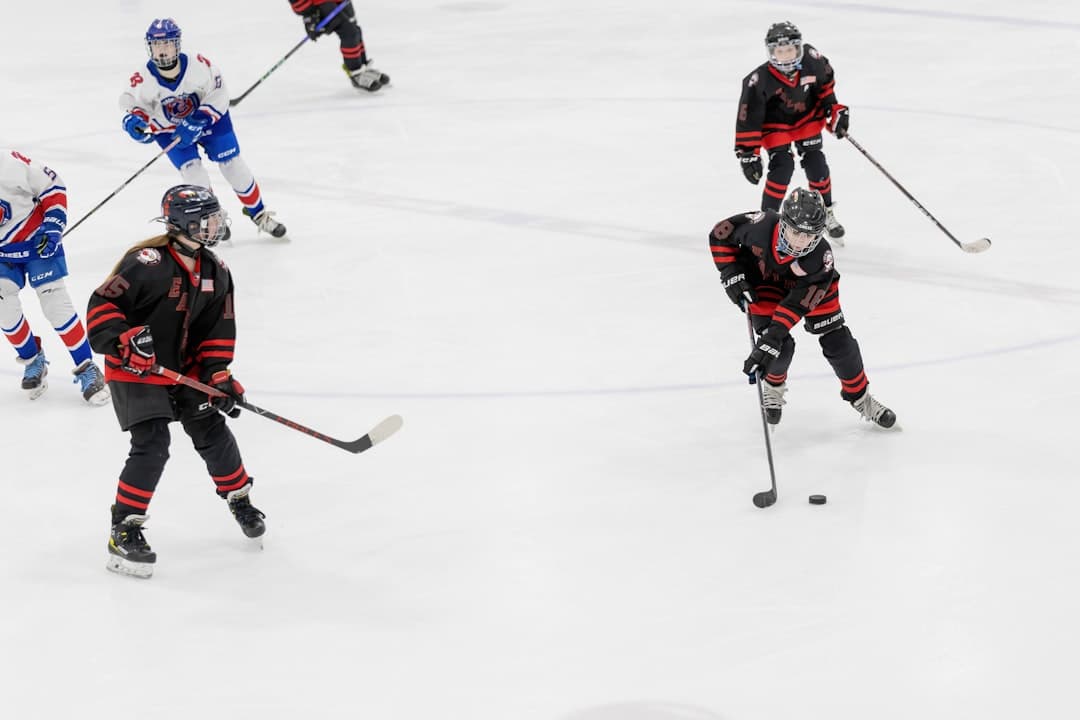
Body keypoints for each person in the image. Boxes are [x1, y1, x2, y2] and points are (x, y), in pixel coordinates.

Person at [87, 185, 265, 579]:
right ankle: (124, 529)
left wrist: (218, 374)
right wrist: (123, 341)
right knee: (152, 444)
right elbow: (103, 305)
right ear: (184, 223)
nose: (217, 225)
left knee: (212, 430)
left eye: (218, 217)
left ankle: (239, 498)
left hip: (183, 369)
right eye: (209, 219)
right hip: (135, 369)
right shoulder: (147, 262)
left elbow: (218, 328)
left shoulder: (216, 270)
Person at [709, 187, 895, 428]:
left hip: (808, 288)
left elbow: (799, 303)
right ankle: (774, 386)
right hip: (765, 280)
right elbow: (719, 234)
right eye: (795, 231)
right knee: (779, 348)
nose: (800, 241)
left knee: (838, 341)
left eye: (809, 236)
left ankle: (861, 398)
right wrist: (730, 272)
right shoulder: (761, 225)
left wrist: (774, 335)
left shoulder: (821, 257)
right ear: (783, 222)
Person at [119, 18, 288, 240]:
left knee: (233, 165)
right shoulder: (143, 77)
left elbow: (219, 93)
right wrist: (134, 122)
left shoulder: (198, 65)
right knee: (193, 173)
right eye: (157, 45)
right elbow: (131, 102)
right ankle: (214, 217)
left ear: (177, 44)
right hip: (169, 129)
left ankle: (259, 214)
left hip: (209, 121)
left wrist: (199, 118)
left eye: (167, 44)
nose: (162, 51)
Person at [0, 149, 109, 405]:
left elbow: (52, 185)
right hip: (3, 254)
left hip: (38, 242)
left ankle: (86, 366)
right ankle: (32, 358)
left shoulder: (7, 164)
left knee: (55, 303)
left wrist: (53, 225)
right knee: (4, 306)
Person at [734, 21, 848, 243]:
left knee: (817, 164)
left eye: (790, 50)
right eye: (780, 51)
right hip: (775, 127)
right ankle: (767, 221)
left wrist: (833, 109)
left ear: (799, 47)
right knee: (782, 167)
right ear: (771, 52)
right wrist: (748, 154)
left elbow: (825, 88)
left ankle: (825, 213)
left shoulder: (812, 61)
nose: (786, 56)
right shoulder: (758, 80)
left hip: (806, 120)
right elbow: (748, 118)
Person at [289, 0, 391, 92]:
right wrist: (309, 13)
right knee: (350, 33)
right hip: (322, 5)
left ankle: (362, 68)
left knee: (355, 30)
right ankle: (356, 74)